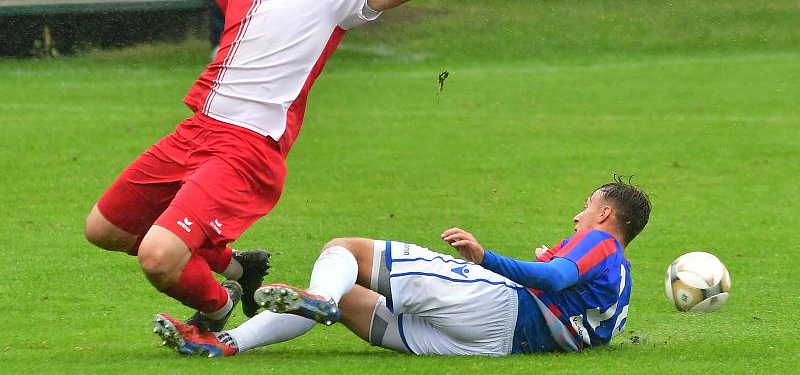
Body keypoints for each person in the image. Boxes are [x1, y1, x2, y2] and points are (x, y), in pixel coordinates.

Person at [84, 0, 446, 336]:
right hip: (196, 132)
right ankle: (235, 268)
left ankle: (216, 307)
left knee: (157, 257)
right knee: (103, 230)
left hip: (246, 148)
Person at [152, 178, 652, 357]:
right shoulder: (623, 283)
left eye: (587, 207)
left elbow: (557, 279)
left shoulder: (600, 244)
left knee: (347, 251)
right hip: (498, 346)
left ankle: (319, 299)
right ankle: (224, 344)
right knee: (349, 300)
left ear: (606, 215)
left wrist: (486, 259)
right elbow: (582, 317)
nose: (578, 215)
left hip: (498, 307)